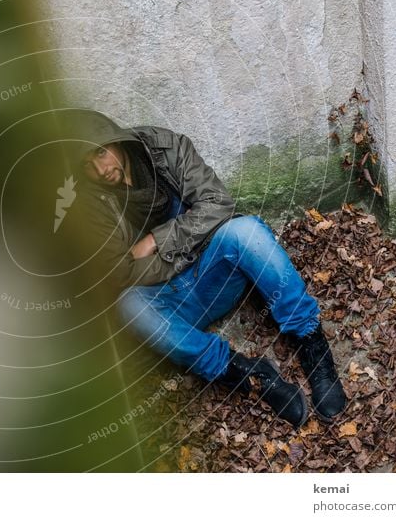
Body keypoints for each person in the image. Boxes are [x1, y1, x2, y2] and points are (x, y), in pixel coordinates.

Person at [64, 109, 347, 429]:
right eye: (86, 164)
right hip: (170, 301)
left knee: (246, 232)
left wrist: (158, 239)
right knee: (128, 305)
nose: (99, 169)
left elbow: (217, 203)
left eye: (101, 153)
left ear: (117, 140)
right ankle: (246, 374)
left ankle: (312, 344)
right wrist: (182, 251)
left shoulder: (164, 148)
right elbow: (120, 272)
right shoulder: (88, 202)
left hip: (214, 275)